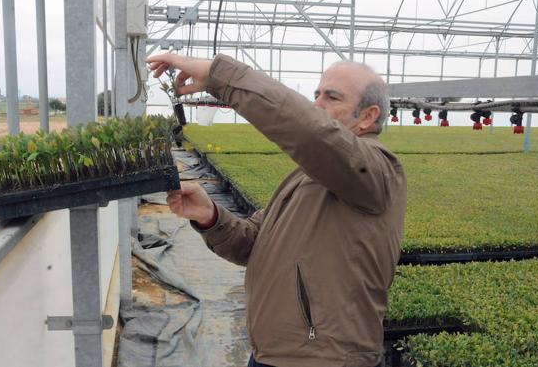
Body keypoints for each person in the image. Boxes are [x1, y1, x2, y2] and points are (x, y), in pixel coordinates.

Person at [147, 52, 407, 367]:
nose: (316, 105)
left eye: (332, 97)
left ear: (368, 116)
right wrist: (210, 216)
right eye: (316, 95)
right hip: (273, 355)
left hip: (325, 360)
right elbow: (253, 242)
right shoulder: (308, 175)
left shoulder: (377, 170)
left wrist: (221, 76)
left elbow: (311, 131)